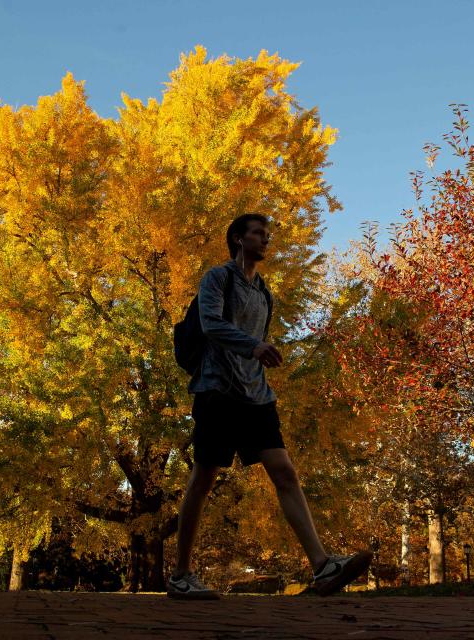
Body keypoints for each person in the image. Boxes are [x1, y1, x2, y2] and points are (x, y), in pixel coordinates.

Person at [167, 213, 372, 600]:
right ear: (237, 238)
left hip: (256, 396)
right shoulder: (217, 278)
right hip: (217, 390)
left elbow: (255, 343)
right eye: (259, 234)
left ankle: (323, 566)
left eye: (268, 235)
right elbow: (210, 325)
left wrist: (258, 355)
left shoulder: (264, 293)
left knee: (284, 471)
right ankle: (181, 574)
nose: (266, 241)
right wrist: (253, 345)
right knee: (205, 476)